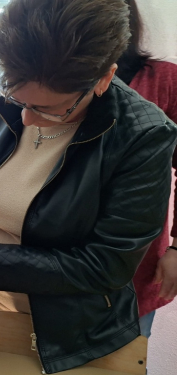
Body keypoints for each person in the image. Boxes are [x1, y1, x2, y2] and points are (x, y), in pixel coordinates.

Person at [0, 0, 177, 373]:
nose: (26, 118)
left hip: (73, 333)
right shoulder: (10, 96)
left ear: (104, 78)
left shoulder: (143, 135)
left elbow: (106, 265)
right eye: (19, 99)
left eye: (51, 109)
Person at [116, 0, 177, 339]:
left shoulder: (164, 80)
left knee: (126, 362)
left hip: (138, 265)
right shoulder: (59, 82)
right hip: (60, 262)